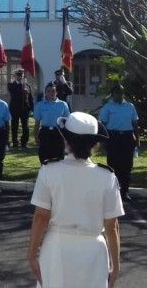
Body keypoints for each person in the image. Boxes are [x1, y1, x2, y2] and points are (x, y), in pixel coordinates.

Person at [27, 112, 123, 288]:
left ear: (66, 139)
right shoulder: (106, 177)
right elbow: (112, 226)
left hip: (57, 247)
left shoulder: (49, 171)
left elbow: (41, 217)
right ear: (94, 144)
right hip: (93, 250)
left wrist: (31, 255)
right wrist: (115, 266)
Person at [99, 84, 139, 202]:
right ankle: (113, 192)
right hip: (113, 137)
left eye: (121, 92)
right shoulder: (108, 107)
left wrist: (137, 140)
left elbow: (135, 124)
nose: (120, 95)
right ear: (112, 94)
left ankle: (124, 192)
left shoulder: (130, 106)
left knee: (127, 166)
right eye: (117, 92)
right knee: (113, 165)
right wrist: (103, 141)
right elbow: (103, 125)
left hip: (127, 138)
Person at [33, 82, 70, 164]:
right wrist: (36, 138)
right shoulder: (40, 105)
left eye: (53, 91)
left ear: (56, 92)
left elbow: (67, 122)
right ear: (45, 93)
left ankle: (57, 176)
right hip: (45, 133)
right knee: (44, 159)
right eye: (48, 91)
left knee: (59, 159)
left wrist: (67, 138)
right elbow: (37, 124)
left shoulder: (63, 104)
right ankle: (45, 176)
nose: (51, 93)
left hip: (58, 133)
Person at [7, 68, 34, 149]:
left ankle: (24, 143)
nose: (20, 77)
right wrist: (22, 87)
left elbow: (30, 98)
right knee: (14, 127)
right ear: (15, 76)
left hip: (25, 109)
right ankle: (15, 143)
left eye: (21, 75)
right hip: (14, 109)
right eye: (18, 75)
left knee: (25, 127)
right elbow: (14, 93)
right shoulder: (11, 85)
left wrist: (31, 108)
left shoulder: (27, 86)